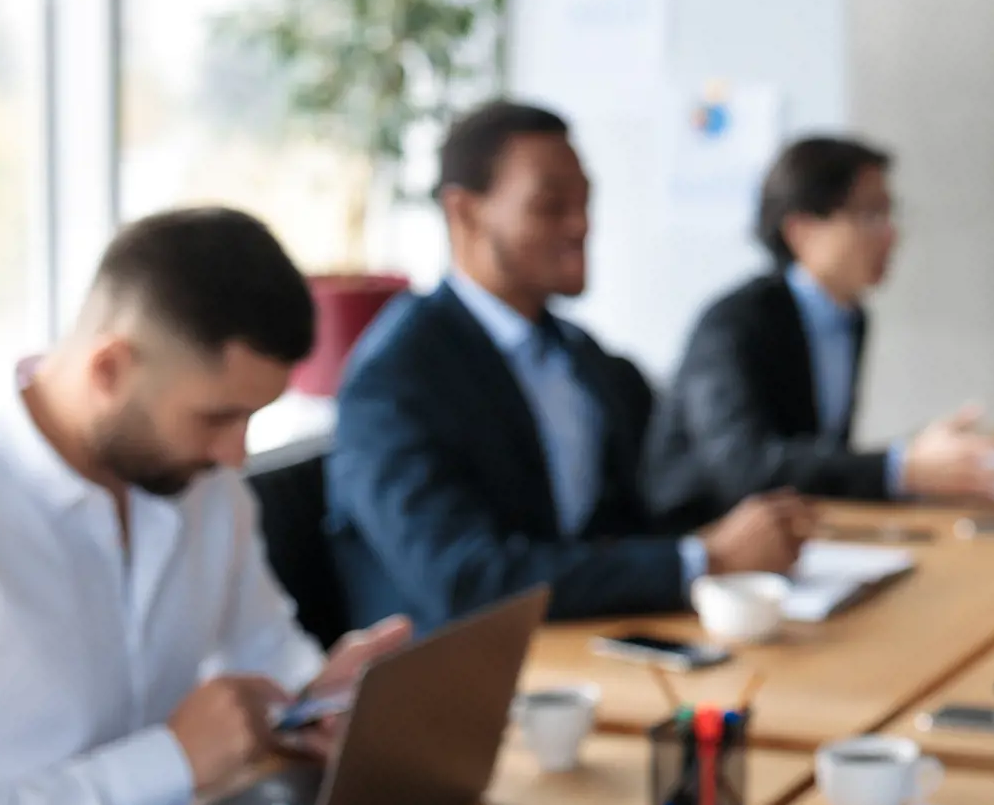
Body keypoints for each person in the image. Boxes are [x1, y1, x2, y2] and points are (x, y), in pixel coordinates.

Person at [0, 208, 413, 805]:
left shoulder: (205, 489)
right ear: (108, 368)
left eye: (253, 418)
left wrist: (322, 701)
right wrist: (166, 763)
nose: (235, 453)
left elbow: (263, 649)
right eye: (217, 417)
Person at [326, 102, 813, 630]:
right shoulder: (395, 378)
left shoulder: (582, 358)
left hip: (588, 644)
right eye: (551, 205)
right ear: (465, 213)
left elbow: (632, 519)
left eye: (585, 202)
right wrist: (701, 560)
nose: (581, 225)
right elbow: (465, 577)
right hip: (456, 679)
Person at [645, 135, 994, 527]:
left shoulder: (852, 317)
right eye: (870, 215)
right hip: (703, 540)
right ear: (802, 231)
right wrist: (900, 467)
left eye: (890, 214)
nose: (891, 235)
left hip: (799, 534)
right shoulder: (733, 323)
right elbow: (746, 468)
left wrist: (916, 457)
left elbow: (819, 453)